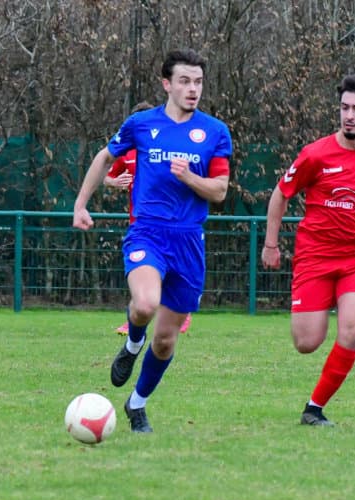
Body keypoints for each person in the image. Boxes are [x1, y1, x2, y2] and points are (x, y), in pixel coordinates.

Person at [74, 49, 232, 433]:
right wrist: (80, 204)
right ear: (167, 84)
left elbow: (220, 190)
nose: (193, 89)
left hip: (189, 242)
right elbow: (104, 158)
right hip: (147, 231)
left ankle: (137, 403)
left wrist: (190, 178)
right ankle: (131, 344)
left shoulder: (215, 132)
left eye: (198, 82)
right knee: (145, 304)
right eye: (184, 81)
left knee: (164, 342)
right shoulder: (141, 124)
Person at [261, 74, 355, 427]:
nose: (349, 116)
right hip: (315, 255)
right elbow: (280, 194)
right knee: (306, 342)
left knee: (352, 331)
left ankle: (314, 408)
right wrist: (271, 244)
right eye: (344, 108)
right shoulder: (316, 154)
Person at [104, 101, 192, 337]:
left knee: (172, 270)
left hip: (170, 223)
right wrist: (114, 182)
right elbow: (106, 176)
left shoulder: (168, 149)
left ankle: (182, 311)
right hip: (139, 224)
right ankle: (133, 320)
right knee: (139, 271)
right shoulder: (126, 153)